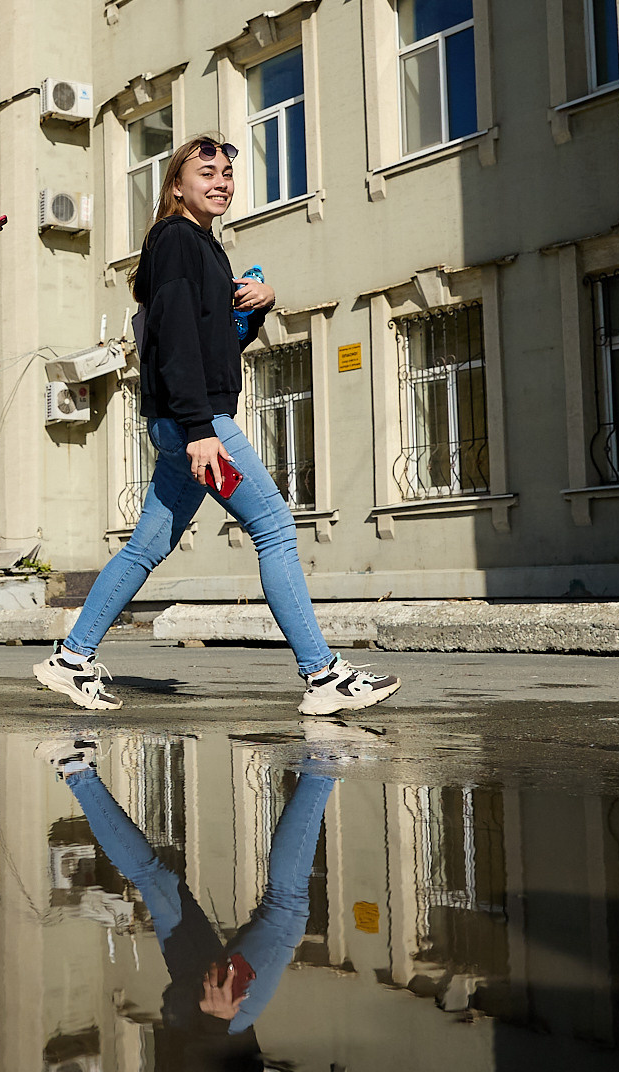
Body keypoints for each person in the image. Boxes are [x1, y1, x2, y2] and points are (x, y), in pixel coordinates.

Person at [32, 135, 401, 717]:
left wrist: (257, 307)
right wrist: (201, 427)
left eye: (228, 172)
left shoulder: (201, 247)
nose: (222, 180)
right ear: (176, 185)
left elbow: (215, 343)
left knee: (147, 544)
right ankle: (323, 674)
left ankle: (72, 658)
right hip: (198, 424)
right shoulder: (178, 240)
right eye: (207, 171)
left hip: (182, 422)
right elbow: (175, 337)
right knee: (275, 529)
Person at [41, 734, 329, 1072]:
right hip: (184, 1020)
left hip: (216, 1025)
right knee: (154, 879)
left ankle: (322, 762)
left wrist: (215, 1023)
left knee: (285, 906)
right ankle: (74, 768)